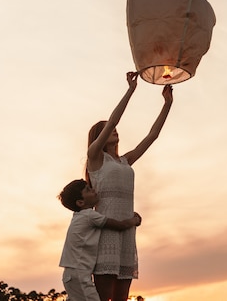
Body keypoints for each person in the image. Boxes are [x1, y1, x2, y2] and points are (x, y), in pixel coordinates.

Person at [86, 71, 173, 301]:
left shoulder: (125, 160)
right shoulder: (95, 158)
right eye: (107, 129)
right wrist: (131, 90)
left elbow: (152, 136)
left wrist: (167, 104)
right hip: (107, 232)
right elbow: (114, 120)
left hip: (128, 233)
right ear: (99, 137)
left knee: (122, 298)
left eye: (113, 129)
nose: (114, 129)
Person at [58, 179, 142, 301]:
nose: (93, 190)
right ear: (80, 202)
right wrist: (134, 220)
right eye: (88, 190)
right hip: (79, 274)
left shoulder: (79, 217)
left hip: (72, 274)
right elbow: (119, 225)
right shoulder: (89, 216)